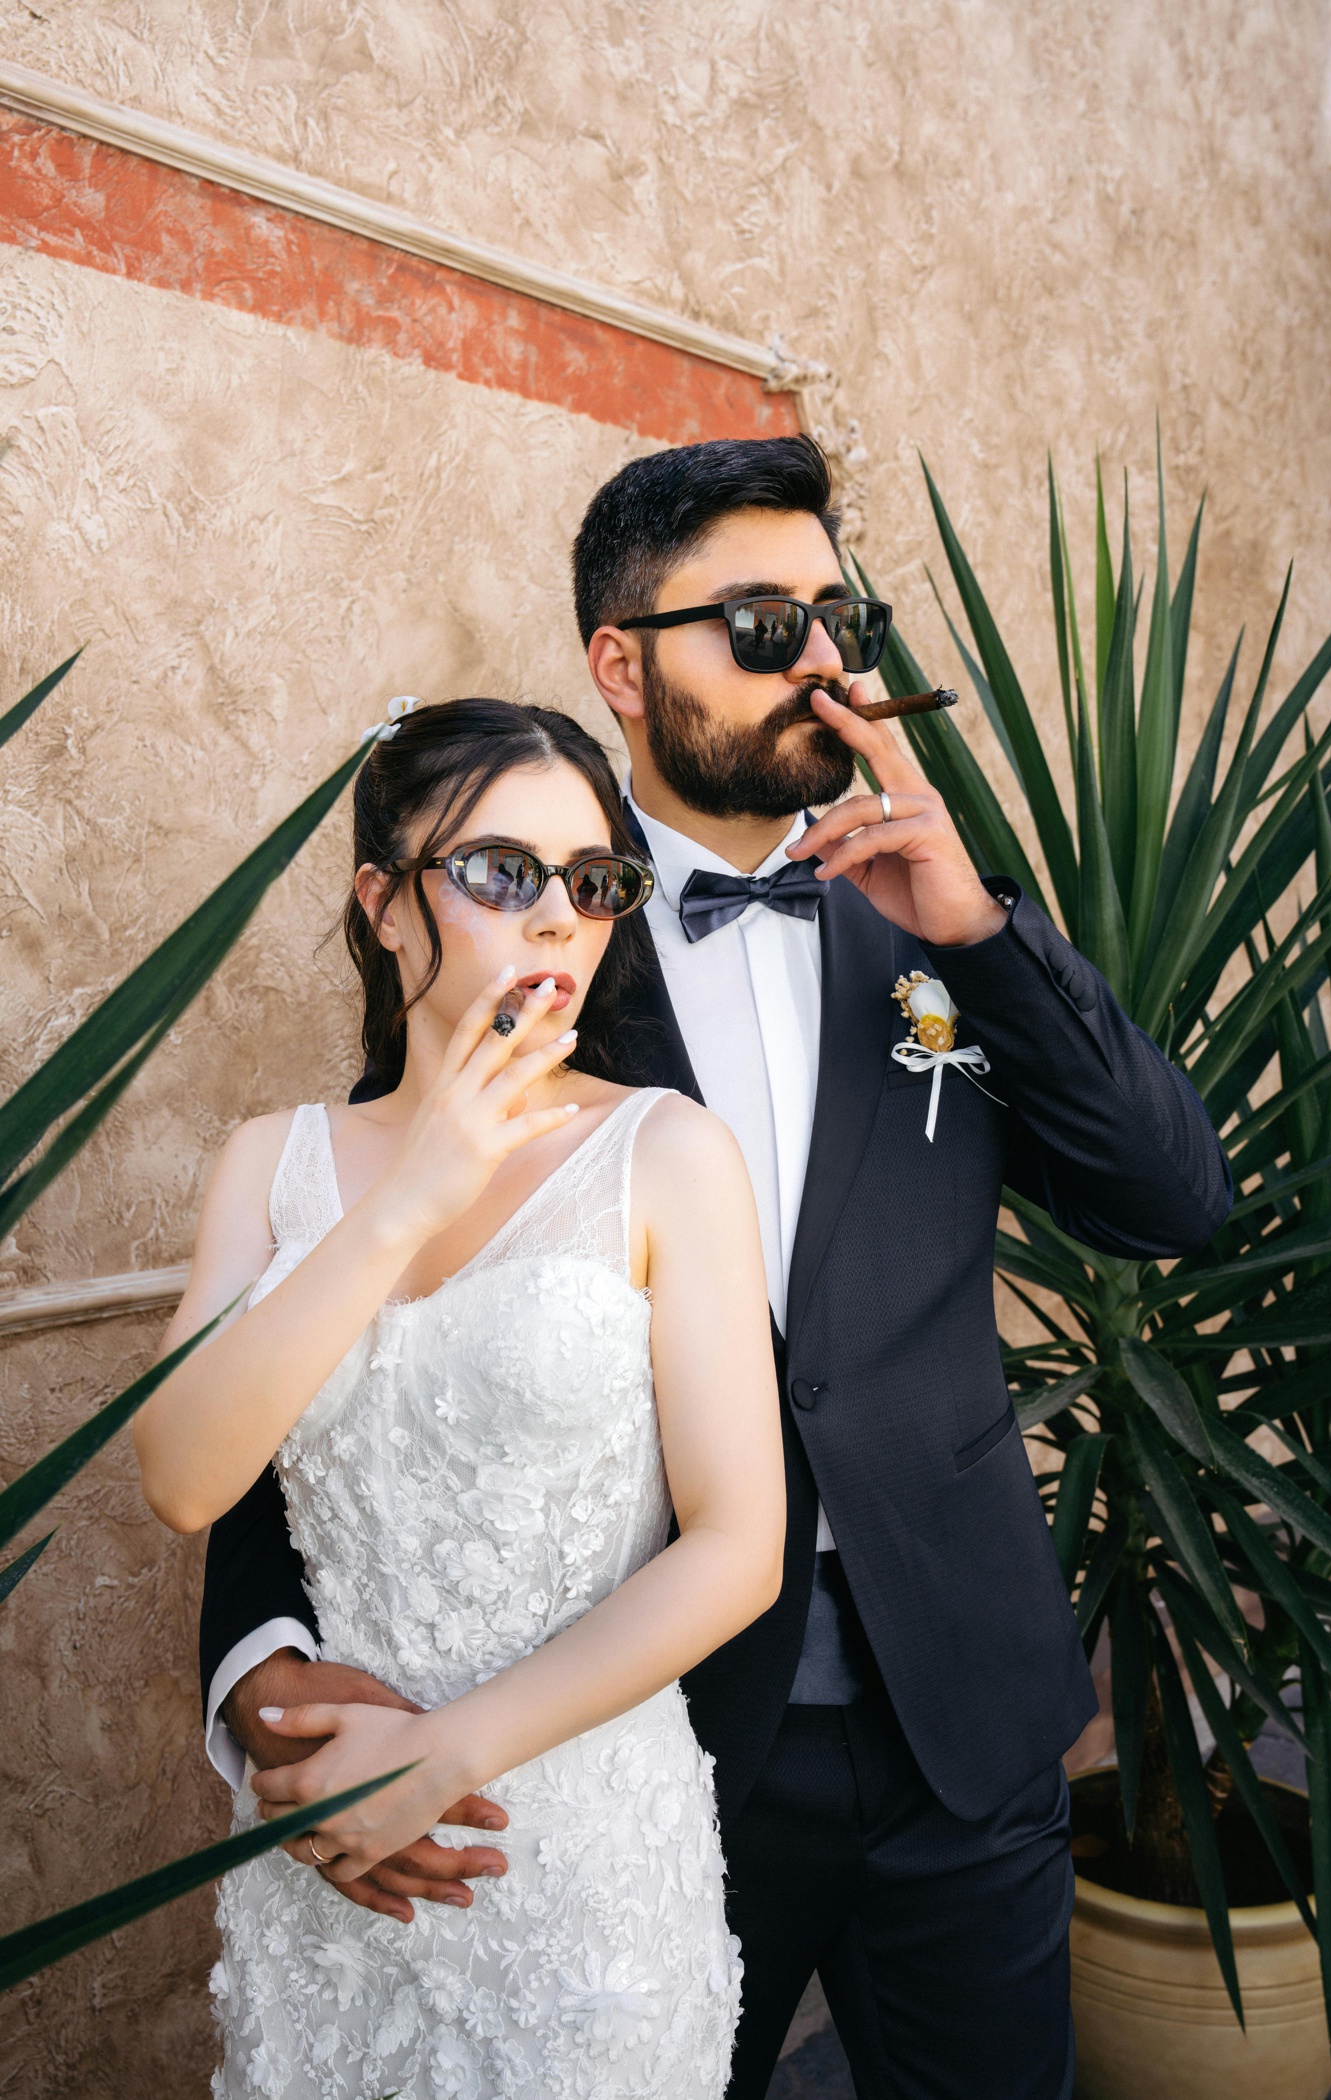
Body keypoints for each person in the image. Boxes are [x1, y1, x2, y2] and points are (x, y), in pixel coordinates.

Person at [200, 436, 1233, 2100]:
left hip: (960, 1720)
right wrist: (255, 1655)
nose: (823, 662)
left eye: (842, 620)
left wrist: (983, 936)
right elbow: (349, 1333)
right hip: (645, 1750)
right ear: (622, 664)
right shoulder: (528, 933)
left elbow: (1172, 1197)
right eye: (763, 625)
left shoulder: (931, 929)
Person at [135, 699, 785, 2099]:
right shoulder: (269, 1164)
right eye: (500, 871)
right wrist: (407, 1198)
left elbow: (740, 1545)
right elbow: (185, 1479)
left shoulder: (668, 1154)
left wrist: (442, 1756)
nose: (555, 917)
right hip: (326, 1868)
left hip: (574, 1870)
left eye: (592, 881)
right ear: (383, 904)